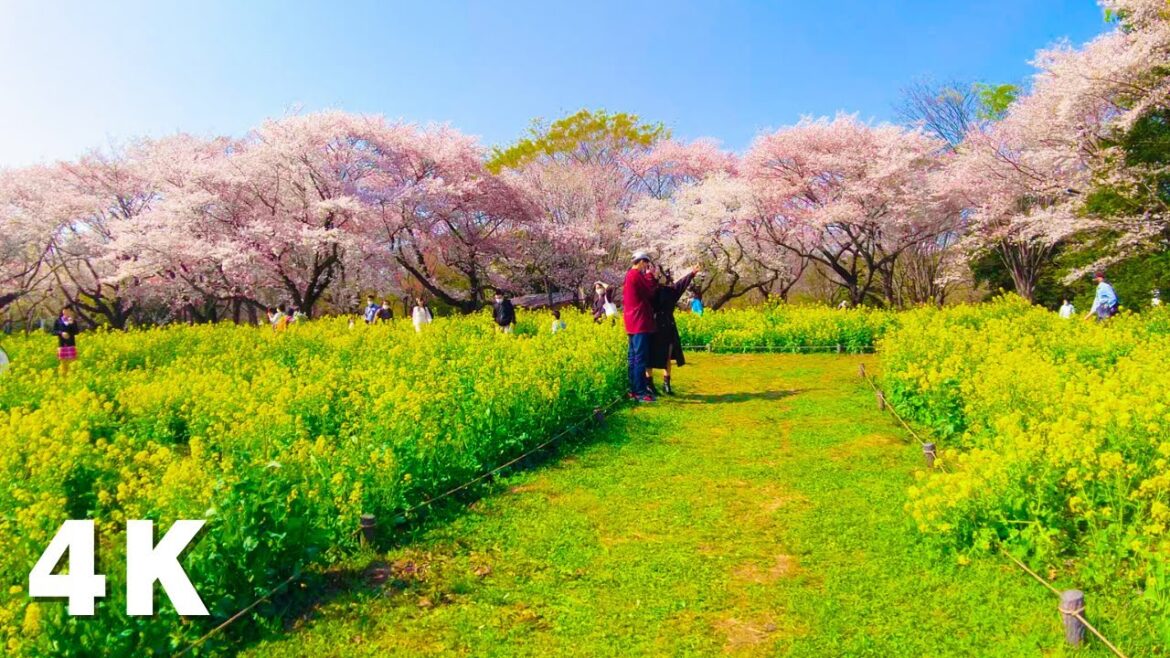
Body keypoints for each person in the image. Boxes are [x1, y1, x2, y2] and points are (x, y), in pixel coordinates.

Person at [648, 265, 700, 395]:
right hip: (654, 325)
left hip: (667, 325)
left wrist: (692, 274)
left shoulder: (671, 291)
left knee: (667, 356)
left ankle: (666, 384)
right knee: (649, 356)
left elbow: (681, 284)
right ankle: (650, 384)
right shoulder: (650, 289)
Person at [623, 251, 659, 402]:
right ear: (641, 262)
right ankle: (640, 392)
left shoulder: (629, 275)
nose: (646, 267)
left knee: (632, 358)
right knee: (640, 359)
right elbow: (650, 292)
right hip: (639, 322)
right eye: (646, 263)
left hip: (631, 322)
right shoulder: (636, 275)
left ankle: (632, 390)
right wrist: (651, 276)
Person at [53, 307, 80, 378]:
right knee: (63, 362)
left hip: (71, 344)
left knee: (73, 362)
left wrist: (72, 324)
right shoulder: (58, 321)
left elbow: (76, 332)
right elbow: (54, 331)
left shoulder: (73, 321)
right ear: (62, 311)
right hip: (62, 344)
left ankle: (72, 377)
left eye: (69, 310)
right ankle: (63, 378)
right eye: (65, 310)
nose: (67, 312)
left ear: (71, 312)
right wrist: (61, 333)